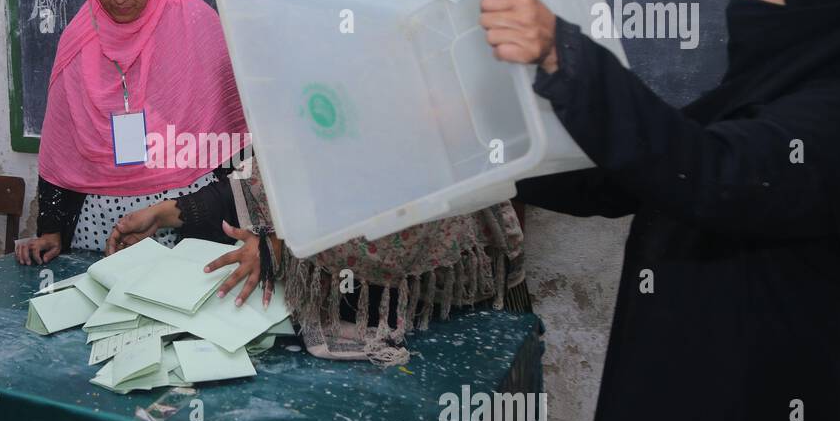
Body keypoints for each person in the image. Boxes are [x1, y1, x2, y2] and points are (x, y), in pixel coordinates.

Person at [479, 0, 840, 421]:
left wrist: (564, 53)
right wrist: (496, 155)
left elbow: (710, 174)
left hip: (745, 420)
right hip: (672, 394)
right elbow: (628, 175)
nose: (744, 10)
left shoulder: (830, 120)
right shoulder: (754, 99)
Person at [107, 155, 531, 366]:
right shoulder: (318, 92)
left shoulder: (413, 102)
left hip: (453, 313)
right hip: (353, 308)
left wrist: (280, 249)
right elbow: (260, 181)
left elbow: (391, 234)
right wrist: (167, 213)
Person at [16, 0, 248, 265]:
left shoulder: (195, 22)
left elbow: (237, 137)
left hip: (190, 221)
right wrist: (52, 229)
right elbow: (60, 147)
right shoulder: (78, 41)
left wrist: (244, 217)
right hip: (99, 232)